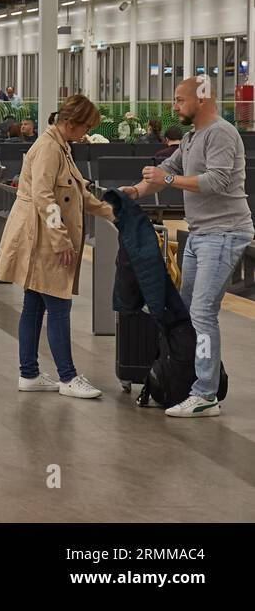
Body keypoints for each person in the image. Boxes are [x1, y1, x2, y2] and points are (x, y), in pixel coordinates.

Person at [120, 78, 254, 417]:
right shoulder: (193, 136)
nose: (174, 106)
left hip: (224, 233)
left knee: (203, 312)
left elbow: (217, 181)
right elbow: (167, 170)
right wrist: (135, 192)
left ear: (202, 99)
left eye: (180, 100)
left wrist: (166, 181)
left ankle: (206, 393)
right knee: (186, 311)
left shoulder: (221, 133)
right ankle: (190, 378)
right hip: (199, 235)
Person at [0, 95, 115, 399]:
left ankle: (29, 374)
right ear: (69, 122)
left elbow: (78, 193)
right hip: (44, 238)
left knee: (34, 306)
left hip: (43, 234)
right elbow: (44, 197)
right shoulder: (49, 148)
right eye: (85, 127)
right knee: (59, 305)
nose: (86, 133)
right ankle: (68, 377)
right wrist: (61, 239)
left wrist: (112, 212)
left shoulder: (62, 145)